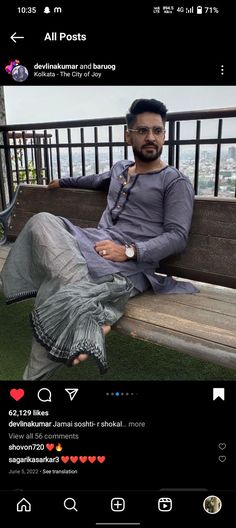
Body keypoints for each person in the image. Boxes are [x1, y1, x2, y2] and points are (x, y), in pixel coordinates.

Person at [1, 98, 197, 380]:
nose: (151, 137)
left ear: (165, 134)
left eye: (158, 130)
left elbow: (178, 237)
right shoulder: (120, 170)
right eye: (143, 131)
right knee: (42, 220)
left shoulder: (174, 182)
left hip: (128, 266)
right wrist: (63, 182)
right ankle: (82, 297)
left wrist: (128, 251)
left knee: (61, 292)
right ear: (128, 134)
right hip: (91, 245)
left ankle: (34, 375)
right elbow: (94, 180)